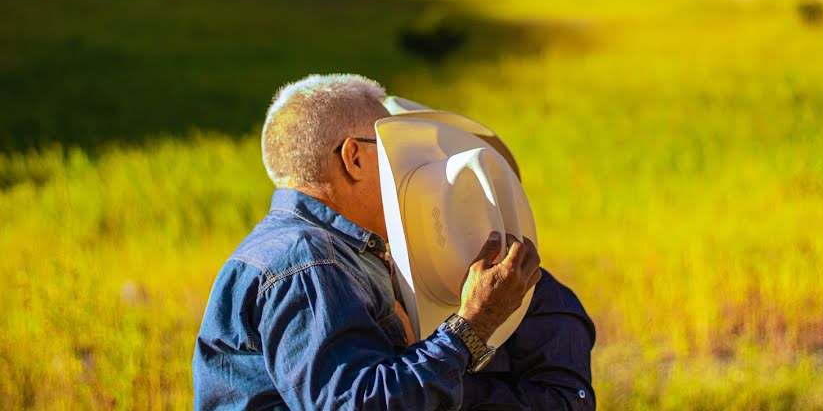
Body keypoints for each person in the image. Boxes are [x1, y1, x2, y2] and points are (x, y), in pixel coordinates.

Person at [192, 74, 595, 409]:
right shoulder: (312, 260)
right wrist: (473, 325)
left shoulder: (310, 254)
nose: (405, 174)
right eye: (391, 153)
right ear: (354, 158)